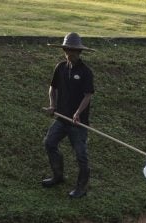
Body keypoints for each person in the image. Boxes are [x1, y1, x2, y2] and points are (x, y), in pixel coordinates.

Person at [42, 32, 95, 199]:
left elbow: (88, 95)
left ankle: (82, 187)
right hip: (61, 118)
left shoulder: (86, 72)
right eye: (67, 50)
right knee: (49, 143)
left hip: (78, 123)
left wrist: (78, 113)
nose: (69, 53)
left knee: (81, 155)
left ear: (79, 52)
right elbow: (53, 88)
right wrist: (52, 105)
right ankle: (58, 176)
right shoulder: (60, 68)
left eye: (73, 50)